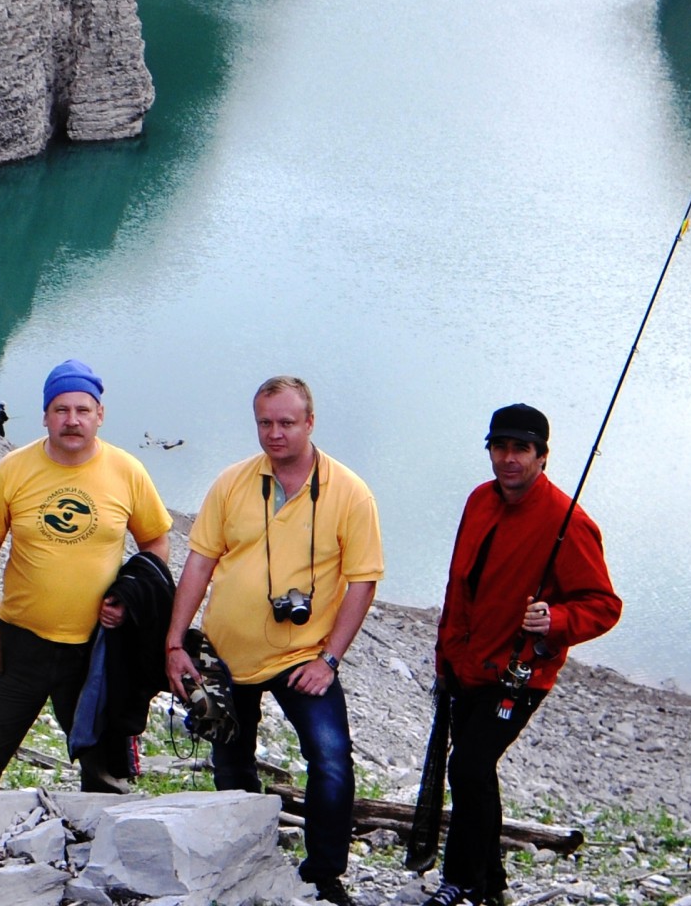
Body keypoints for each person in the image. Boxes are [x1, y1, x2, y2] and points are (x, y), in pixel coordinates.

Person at [0, 360, 172, 844]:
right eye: (61, 409)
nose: (71, 420)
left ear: (99, 414)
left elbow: (156, 545)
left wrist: (129, 596)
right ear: (45, 416)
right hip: (17, 646)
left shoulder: (127, 471)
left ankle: (107, 859)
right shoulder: (15, 468)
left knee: (103, 770)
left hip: (96, 652)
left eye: (82, 409)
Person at [165, 376, 383, 906]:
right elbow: (199, 562)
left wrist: (330, 658)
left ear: (310, 422)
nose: (275, 433)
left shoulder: (350, 492)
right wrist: (174, 642)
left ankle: (325, 873)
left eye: (287, 422)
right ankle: (244, 857)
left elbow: (363, 580)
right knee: (229, 756)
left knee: (331, 760)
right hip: (226, 652)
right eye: (265, 422)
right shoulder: (233, 482)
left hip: (303, 655)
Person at [426, 404, 622, 906]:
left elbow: (603, 606)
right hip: (466, 665)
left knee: (467, 768)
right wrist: (445, 655)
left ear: (542, 456)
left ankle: (462, 883)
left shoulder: (569, 521)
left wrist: (556, 621)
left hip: (520, 675)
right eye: (499, 447)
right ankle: (491, 886)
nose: (508, 459)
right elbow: (459, 586)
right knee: (474, 770)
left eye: (521, 449)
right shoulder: (478, 501)